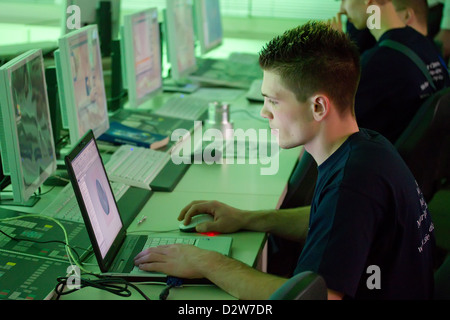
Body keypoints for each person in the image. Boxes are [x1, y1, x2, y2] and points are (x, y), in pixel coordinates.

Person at [134, 21, 436, 300]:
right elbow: (328, 222)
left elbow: (316, 297)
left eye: (273, 101)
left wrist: (205, 261)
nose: (264, 113)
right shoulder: (367, 146)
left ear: (318, 106)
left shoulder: (353, 184)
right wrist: (247, 218)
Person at [332, 0, 450, 144]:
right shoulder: (428, 47)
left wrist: (333, 62)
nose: (342, 9)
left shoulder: (376, 64)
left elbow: (330, 123)